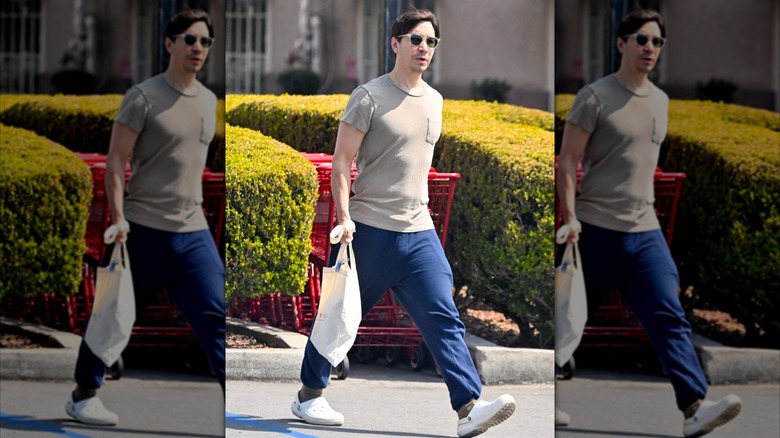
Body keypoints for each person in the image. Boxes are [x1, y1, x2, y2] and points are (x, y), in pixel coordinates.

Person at [291, 9, 516, 438]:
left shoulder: (435, 101)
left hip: (418, 232)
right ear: (395, 44)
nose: (424, 48)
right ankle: (308, 395)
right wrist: (343, 218)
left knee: (443, 316)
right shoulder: (368, 96)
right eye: (416, 39)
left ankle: (469, 406)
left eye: (431, 42)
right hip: (369, 230)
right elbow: (342, 163)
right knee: (340, 318)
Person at [556, 9, 742, 437]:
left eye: (657, 42)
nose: (649, 48)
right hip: (596, 231)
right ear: (621, 43)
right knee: (565, 319)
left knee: (668, 315)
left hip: (644, 233)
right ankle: (548, 397)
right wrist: (570, 219)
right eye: (641, 39)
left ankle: (694, 406)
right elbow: (568, 162)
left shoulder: (660, 101)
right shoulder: (594, 97)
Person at [65, 9, 225, 426]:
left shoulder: (209, 102)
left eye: (205, 42)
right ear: (169, 44)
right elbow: (116, 162)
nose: (197, 48)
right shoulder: (142, 97)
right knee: (112, 315)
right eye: (190, 39)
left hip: (192, 233)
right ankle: (84, 396)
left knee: (216, 318)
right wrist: (118, 219)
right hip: (143, 233)